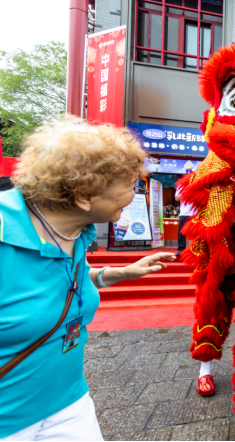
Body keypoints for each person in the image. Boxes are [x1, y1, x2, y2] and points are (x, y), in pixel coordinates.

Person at [0, 119, 176, 441]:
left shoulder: (76, 230)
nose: (135, 194)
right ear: (83, 195)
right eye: (130, 185)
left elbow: (67, 280)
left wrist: (122, 272)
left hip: (69, 400)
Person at [175, 183, 196, 257]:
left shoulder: (196, 185)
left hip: (195, 213)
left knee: (195, 232)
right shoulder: (180, 186)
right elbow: (177, 198)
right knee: (181, 232)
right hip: (184, 213)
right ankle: (181, 249)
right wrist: (187, 193)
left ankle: (195, 249)